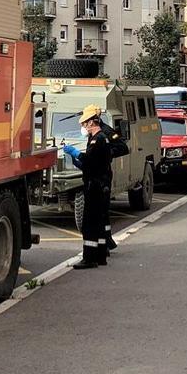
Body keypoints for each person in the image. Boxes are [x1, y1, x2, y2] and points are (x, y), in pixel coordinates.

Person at [61, 104, 123, 269]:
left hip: (95, 186)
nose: (82, 127)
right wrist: (78, 162)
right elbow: (93, 164)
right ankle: (100, 256)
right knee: (99, 222)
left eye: (84, 124)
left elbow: (91, 161)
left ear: (91, 123)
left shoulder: (98, 140)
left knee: (89, 224)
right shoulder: (99, 138)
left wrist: (75, 154)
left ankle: (89, 258)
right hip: (99, 183)